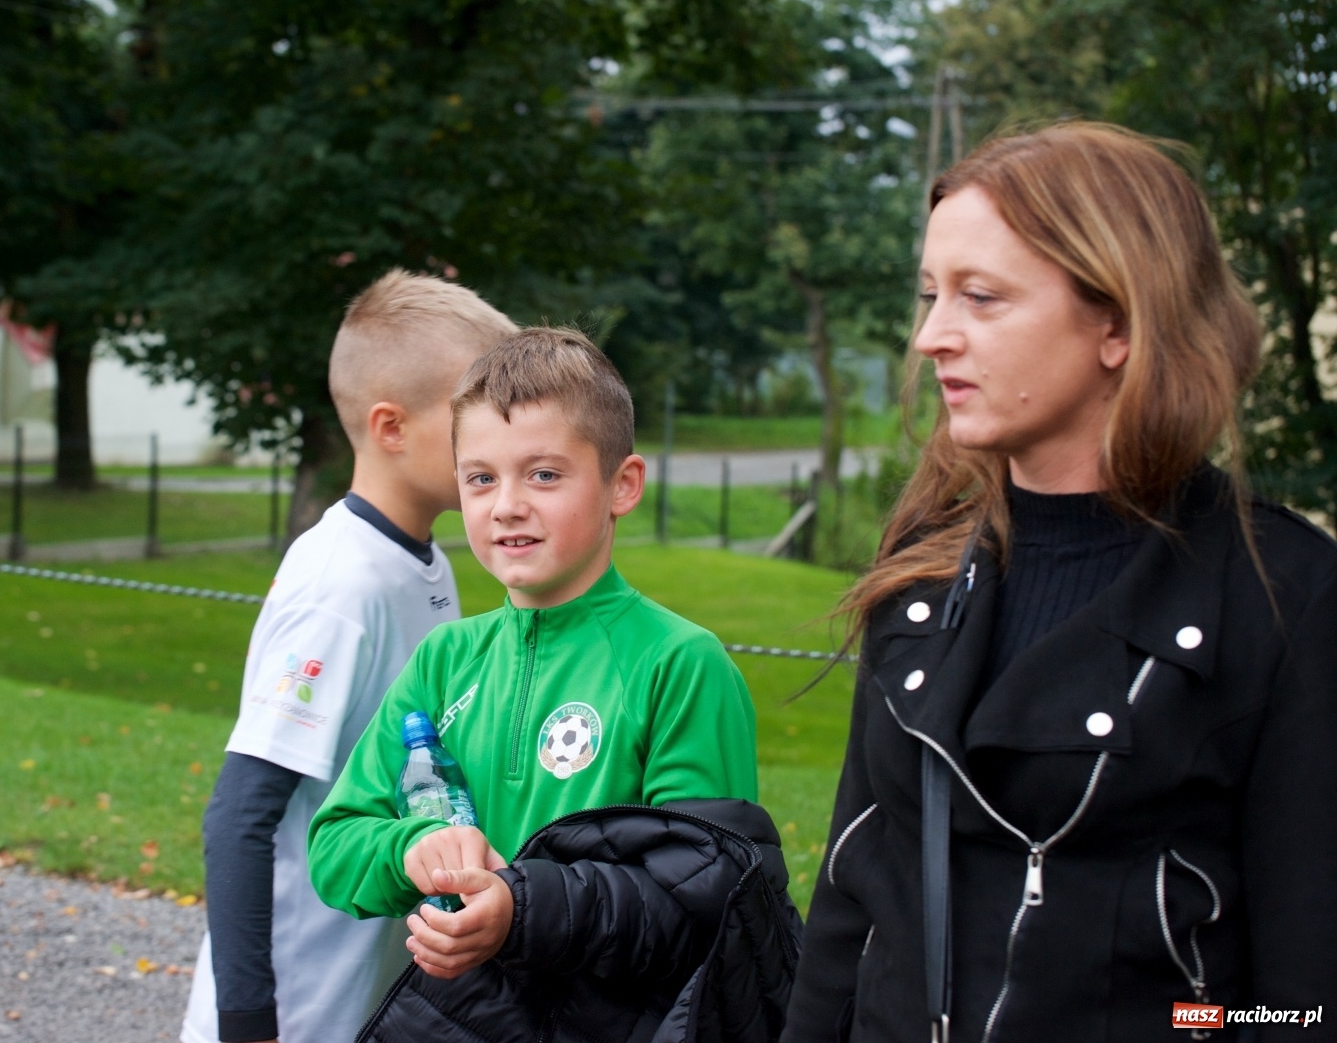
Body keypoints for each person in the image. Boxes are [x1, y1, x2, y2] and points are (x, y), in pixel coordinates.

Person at [781, 122, 1337, 1043]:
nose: (930, 338)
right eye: (930, 295)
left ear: (1118, 320)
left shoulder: (1285, 595)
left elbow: (1302, 998)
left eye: (981, 298)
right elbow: (850, 904)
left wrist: (1179, 1023)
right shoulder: (923, 562)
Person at [308, 327, 802, 1042]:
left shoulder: (681, 663)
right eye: (481, 477)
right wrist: (411, 850)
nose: (506, 504)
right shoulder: (444, 658)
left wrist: (520, 910)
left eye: (543, 474)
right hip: (462, 1019)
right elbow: (334, 844)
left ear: (621, 484)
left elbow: (704, 904)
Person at [180, 270, 517, 1043]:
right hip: (293, 1013)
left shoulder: (422, 564)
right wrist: (246, 1020)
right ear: (391, 427)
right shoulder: (342, 582)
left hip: (364, 1003)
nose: (495, 441)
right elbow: (239, 816)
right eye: (470, 420)